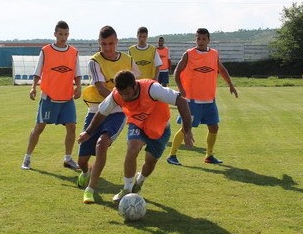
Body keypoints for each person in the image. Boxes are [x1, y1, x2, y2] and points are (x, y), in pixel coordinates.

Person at [78, 70, 194, 203]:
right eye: (121, 93)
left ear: (135, 86)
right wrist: (88, 132)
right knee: (132, 148)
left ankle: (140, 180)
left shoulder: (152, 89)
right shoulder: (117, 95)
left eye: (127, 93)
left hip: (160, 128)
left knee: (150, 162)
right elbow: (102, 112)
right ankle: (127, 188)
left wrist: (187, 130)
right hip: (137, 125)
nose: (124, 97)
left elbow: (181, 101)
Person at [77, 26, 140, 204]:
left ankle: (90, 189)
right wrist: (120, 98)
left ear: (117, 42)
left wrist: (129, 104)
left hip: (117, 113)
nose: (108, 48)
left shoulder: (128, 60)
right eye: (104, 44)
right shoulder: (94, 61)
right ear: (99, 43)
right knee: (82, 160)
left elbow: (138, 84)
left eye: (111, 43)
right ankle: (85, 171)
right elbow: (100, 87)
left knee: (101, 143)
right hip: (96, 111)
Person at [166, 28, 238, 166]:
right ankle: (172, 155)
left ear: (208, 40)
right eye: (198, 39)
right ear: (195, 39)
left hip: (209, 100)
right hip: (192, 100)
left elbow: (222, 69)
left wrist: (231, 85)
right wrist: (181, 88)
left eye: (203, 39)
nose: (201, 41)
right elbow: (177, 72)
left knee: (214, 127)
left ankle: (209, 155)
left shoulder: (214, 54)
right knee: (185, 129)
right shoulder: (189, 54)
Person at [21, 21, 81, 170]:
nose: (63, 37)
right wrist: (33, 87)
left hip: (67, 98)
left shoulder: (74, 52)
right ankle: (27, 158)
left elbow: (77, 73)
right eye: (60, 34)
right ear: (55, 34)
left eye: (66, 34)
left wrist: (79, 87)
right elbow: (37, 71)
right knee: (39, 128)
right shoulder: (46, 50)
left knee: (72, 127)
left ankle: (68, 159)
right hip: (49, 97)